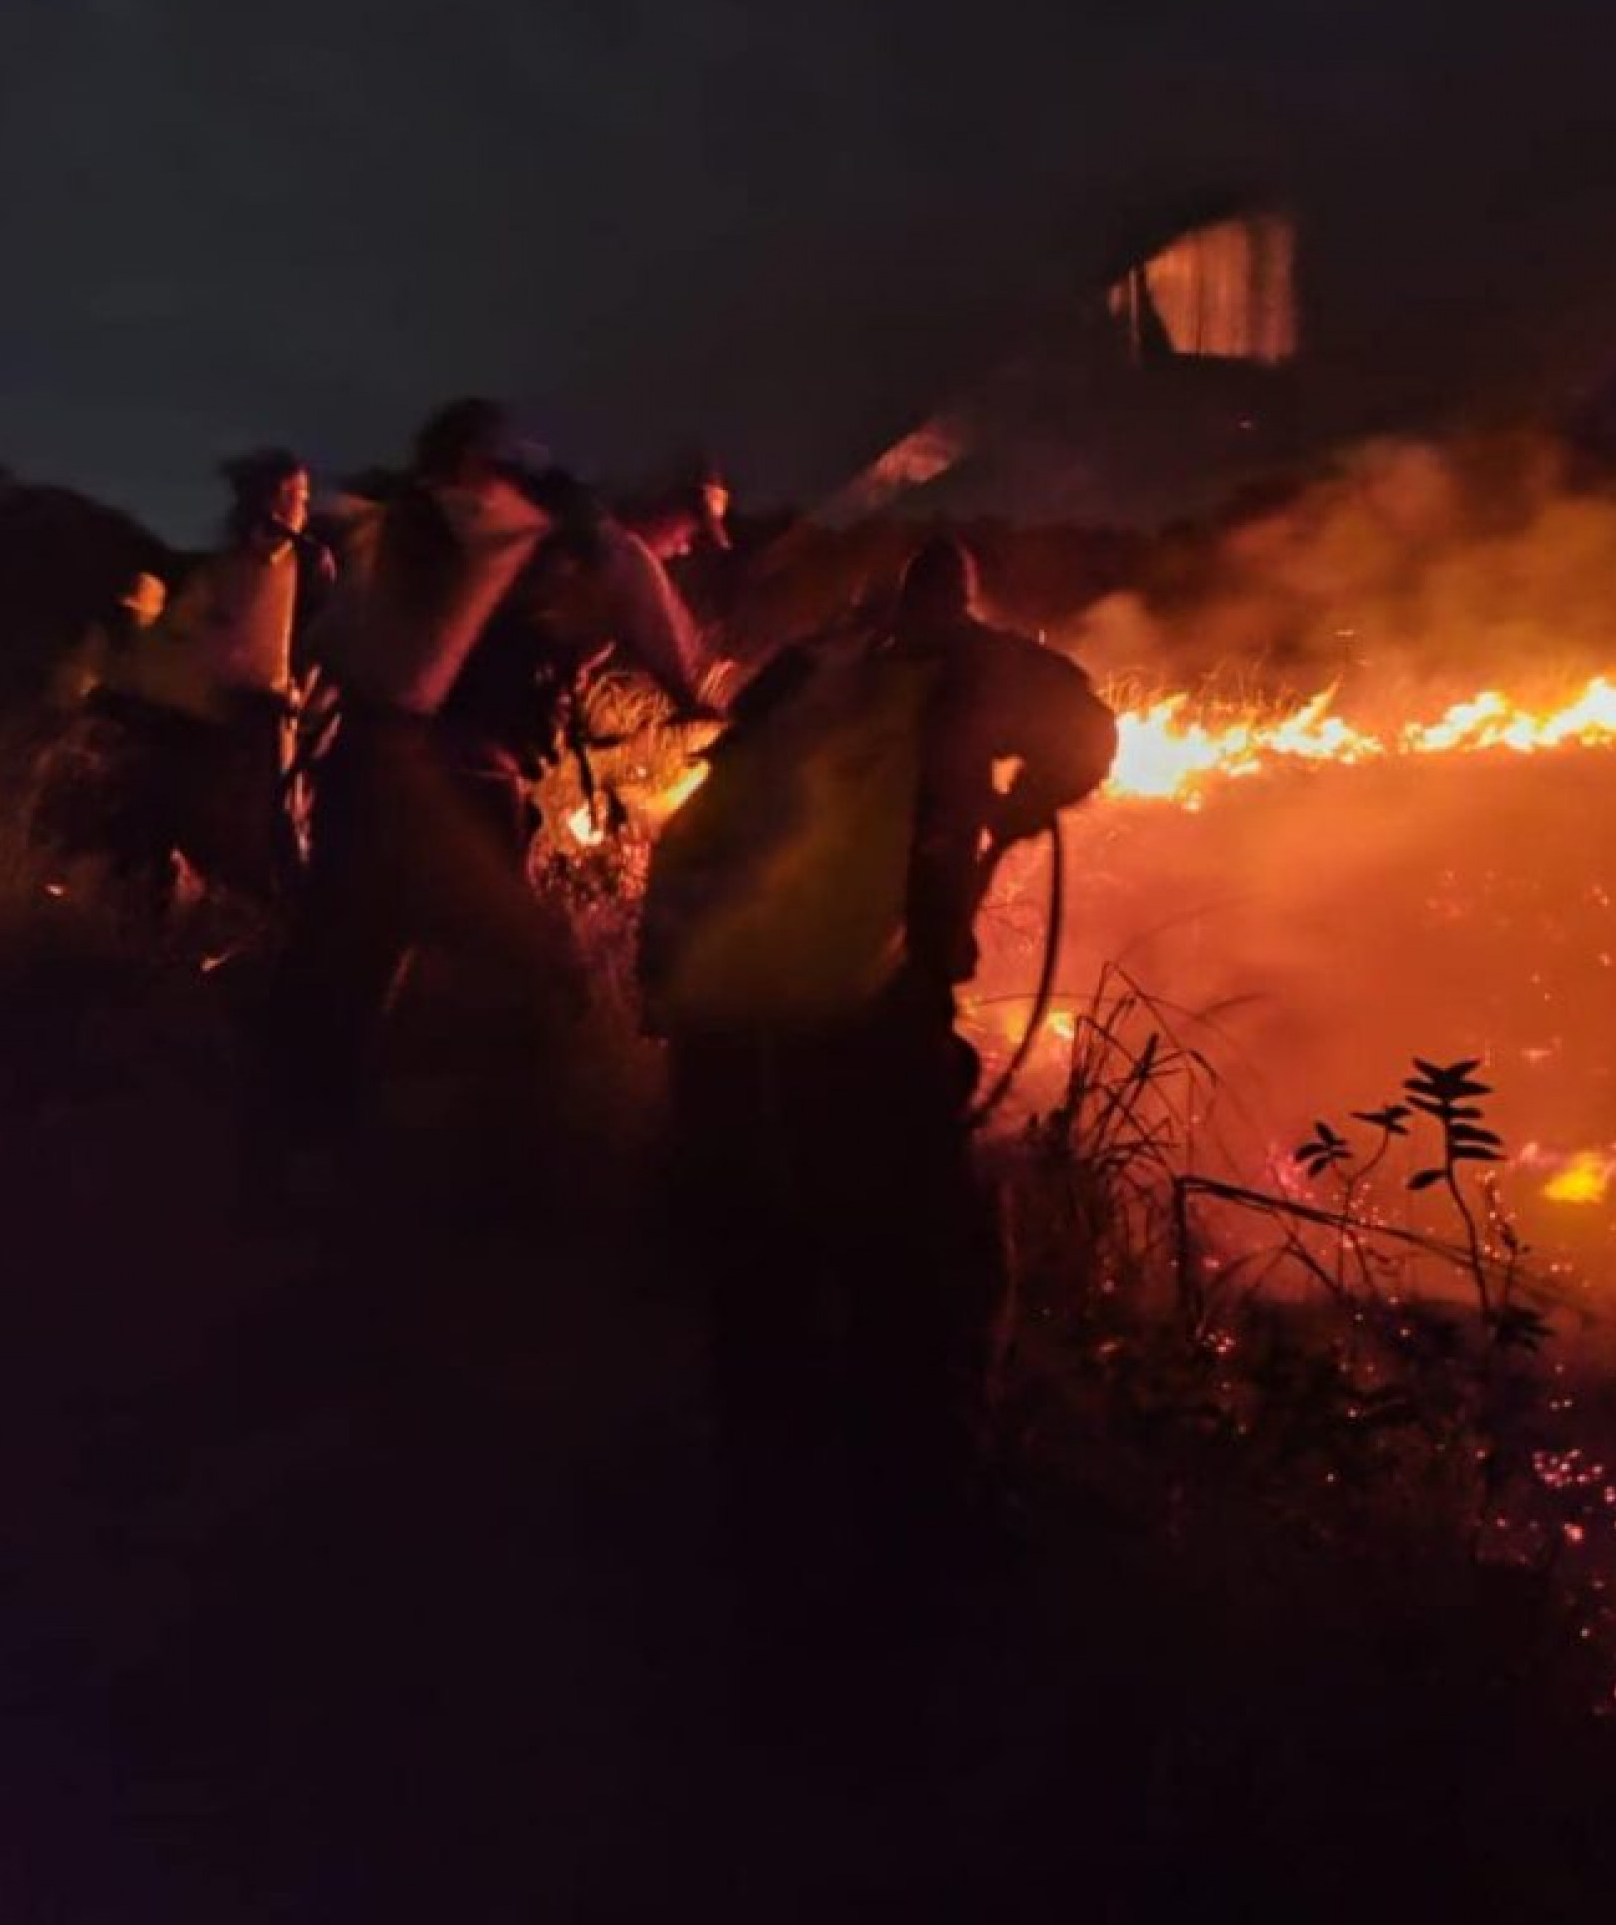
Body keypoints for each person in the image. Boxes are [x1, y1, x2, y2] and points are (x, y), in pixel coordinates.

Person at [639, 536, 1116, 1610]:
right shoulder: (979, 661)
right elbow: (1090, 735)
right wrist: (1013, 811)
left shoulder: (805, 668)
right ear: (962, 596)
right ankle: (926, 1558)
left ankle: (761, 1541)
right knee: (927, 1278)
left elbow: (709, 815)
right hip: (863, 1017)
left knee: (756, 1282)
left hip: (720, 1023)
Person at [281, 400, 712, 1129]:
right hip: (443, 780)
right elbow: (689, 676)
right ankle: (488, 1172)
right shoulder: (580, 543)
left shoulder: (396, 522)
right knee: (534, 979)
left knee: (346, 975)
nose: (691, 550)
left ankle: (306, 1156)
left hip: (360, 764)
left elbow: (330, 648)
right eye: (691, 531)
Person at [64, 450, 328, 906]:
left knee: (264, 819)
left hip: (252, 707)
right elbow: (194, 632)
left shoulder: (292, 562)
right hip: (237, 709)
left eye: (304, 495)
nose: (305, 506)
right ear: (273, 502)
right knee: (262, 822)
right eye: (297, 495)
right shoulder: (252, 563)